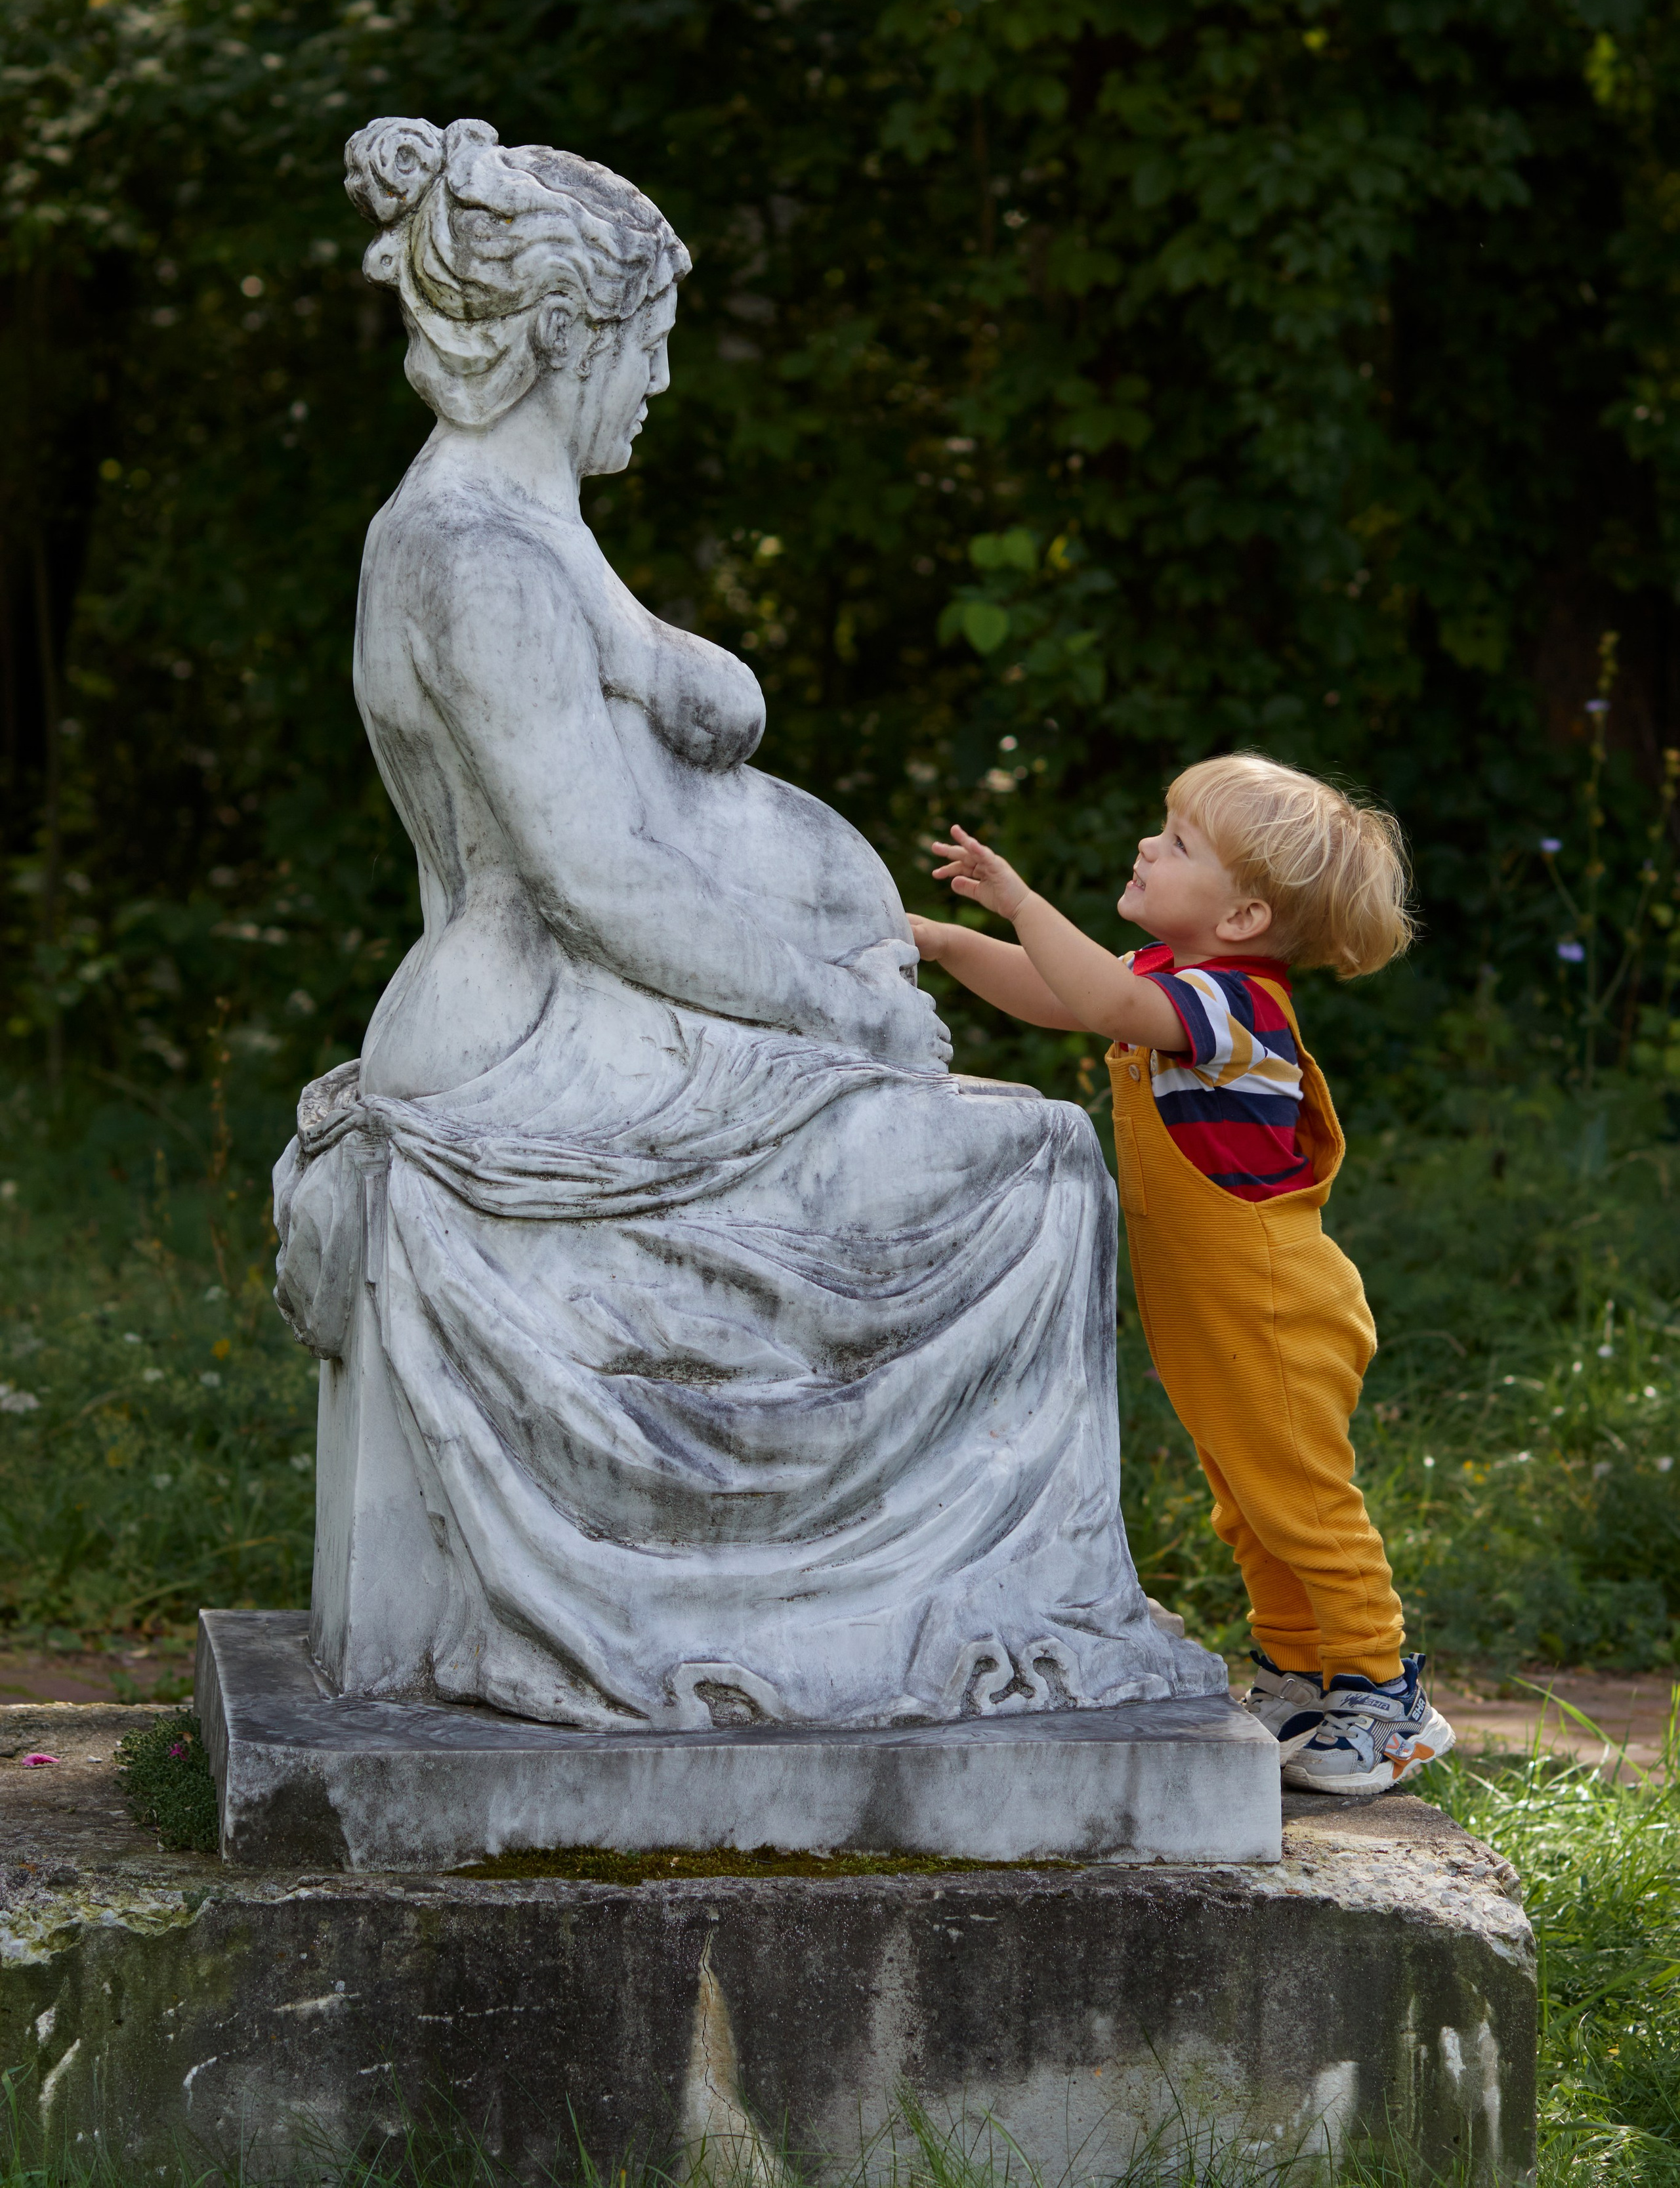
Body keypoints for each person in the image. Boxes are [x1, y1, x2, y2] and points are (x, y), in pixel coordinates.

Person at [272, 114, 1223, 1730]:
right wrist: (836, 1005)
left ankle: (924, 1601)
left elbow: (682, 721)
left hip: (626, 1027)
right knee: (1040, 1167)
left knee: (1019, 1153)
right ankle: (895, 1617)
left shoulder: (526, 537)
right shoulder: (475, 559)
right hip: (551, 1049)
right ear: (562, 339)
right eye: (645, 348)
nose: (655, 386)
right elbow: (594, 880)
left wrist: (686, 688)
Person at [909, 753, 1456, 1793]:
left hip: (1273, 1308)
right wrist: (945, 943)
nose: (1150, 846)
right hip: (1217, 1314)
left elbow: (1102, 1001)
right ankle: (1302, 1675)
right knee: (1246, 1504)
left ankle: (1387, 1698)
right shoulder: (1176, 984)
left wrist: (1023, 900)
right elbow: (1054, 995)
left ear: (1244, 917)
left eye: (1179, 842)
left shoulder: (1235, 1007)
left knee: (1303, 1504)